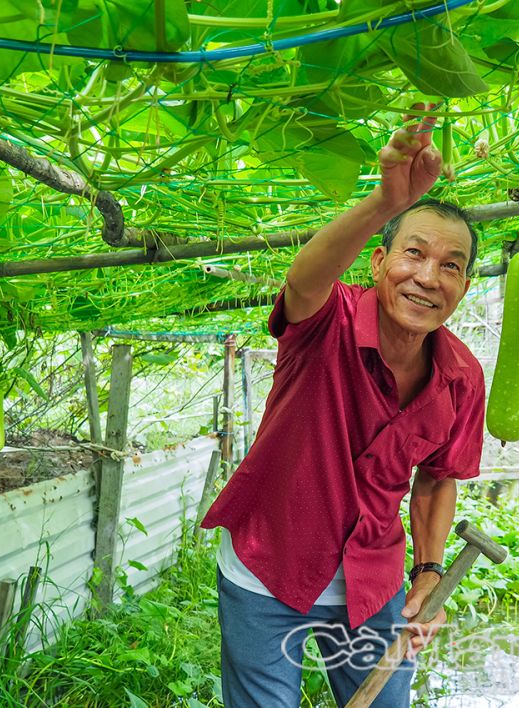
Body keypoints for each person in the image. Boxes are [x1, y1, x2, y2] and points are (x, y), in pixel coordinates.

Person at [199, 106, 485, 708]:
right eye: (413, 254)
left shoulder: (460, 377)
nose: (428, 277)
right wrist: (386, 202)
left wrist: (429, 572)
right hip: (266, 567)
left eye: (451, 266)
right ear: (379, 263)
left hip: (372, 581)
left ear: (463, 287)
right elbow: (304, 279)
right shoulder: (324, 323)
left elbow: (436, 480)